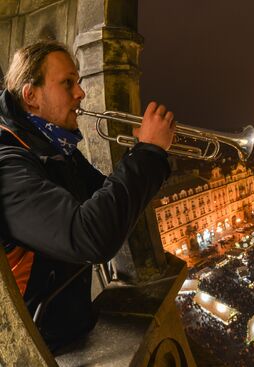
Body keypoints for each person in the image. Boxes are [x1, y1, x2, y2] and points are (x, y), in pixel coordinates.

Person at [0, 40, 175, 352]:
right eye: (68, 83)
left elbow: (108, 202)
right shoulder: (9, 165)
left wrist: (145, 155)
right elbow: (90, 236)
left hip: (71, 328)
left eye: (79, 82)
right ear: (31, 96)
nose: (80, 93)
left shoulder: (55, 149)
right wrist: (148, 154)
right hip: (41, 349)